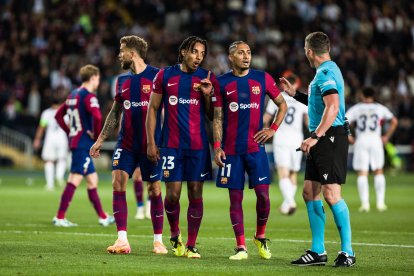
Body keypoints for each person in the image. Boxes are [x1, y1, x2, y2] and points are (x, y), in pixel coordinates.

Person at [281, 32, 356, 267]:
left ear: (309, 51)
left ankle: (348, 252)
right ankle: (317, 251)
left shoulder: (325, 73)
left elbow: (332, 108)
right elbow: (319, 104)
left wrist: (315, 136)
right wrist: (296, 95)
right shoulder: (325, 73)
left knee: (331, 194)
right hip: (322, 136)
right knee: (309, 193)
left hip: (329, 136)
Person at [90, 36, 167, 255]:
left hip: (151, 144)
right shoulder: (122, 81)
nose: (119, 54)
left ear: (132, 53)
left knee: (154, 188)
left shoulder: (157, 76)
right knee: (117, 181)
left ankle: (158, 241)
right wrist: (100, 140)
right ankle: (122, 240)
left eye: (122, 50)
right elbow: (115, 113)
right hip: (126, 143)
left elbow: (169, 110)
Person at [213, 41, 287, 260]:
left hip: (256, 148)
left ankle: (260, 236)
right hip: (231, 150)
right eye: (241, 53)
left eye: (249, 52)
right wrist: (217, 146)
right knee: (235, 199)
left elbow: (283, 105)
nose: (246, 56)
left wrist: (273, 128)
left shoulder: (262, 78)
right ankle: (241, 247)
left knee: (263, 196)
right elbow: (217, 117)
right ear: (231, 57)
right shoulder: (222, 82)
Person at [147, 36, 219, 259]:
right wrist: (151, 142)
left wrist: (208, 96)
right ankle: (175, 233)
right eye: (195, 52)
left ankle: (191, 244)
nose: (199, 57)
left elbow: (211, 115)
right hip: (171, 146)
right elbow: (153, 109)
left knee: (196, 193)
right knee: (173, 195)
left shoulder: (207, 78)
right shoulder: (165, 75)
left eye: (202, 54)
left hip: (197, 146)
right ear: (184, 52)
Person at [53, 64, 114, 227]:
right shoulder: (89, 96)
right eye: (98, 79)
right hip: (84, 144)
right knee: (74, 178)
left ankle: (102, 216)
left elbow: (59, 115)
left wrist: (70, 132)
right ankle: (59, 217)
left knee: (93, 179)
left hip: (77, 141)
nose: (98, 82)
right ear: (93, 77)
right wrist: (96, 135)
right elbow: (97, 116)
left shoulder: (72, 95)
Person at [346, 87, 398, 212]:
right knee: (378, 171)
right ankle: (381, 203)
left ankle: (365, 204)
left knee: (362, 173)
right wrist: (386, 136)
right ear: (373, 96)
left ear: (362, 95)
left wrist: (348, 136)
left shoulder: (357, 108)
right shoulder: (380, 108)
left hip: (361, 140)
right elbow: (394, 121)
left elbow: (344, 121)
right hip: (376, 140)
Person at [263, 71, 308, 215]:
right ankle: (287, 204)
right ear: (297, 84)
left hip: (281, 138)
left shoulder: (276, 98)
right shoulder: (301, 100)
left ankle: (290, 202)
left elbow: (266, 119)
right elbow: (308, 122)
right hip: (297, 139)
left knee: (283, 173)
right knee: (293, 173)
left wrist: (260, 130)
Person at [33, 98, 69, 191]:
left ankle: (50, 184)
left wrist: (37, 139)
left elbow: (42, 127)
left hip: (50, 139)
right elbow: (69, 127)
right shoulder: (65, 112)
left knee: (49, 161)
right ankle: (59, 176)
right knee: (62, 159)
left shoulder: (46, 113)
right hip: (62, 138)